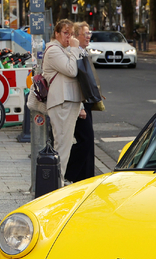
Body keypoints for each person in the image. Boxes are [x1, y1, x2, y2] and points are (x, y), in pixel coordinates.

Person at [43, 19, 83, 185]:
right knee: (62, 146)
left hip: (68, 101)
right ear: (57, 34)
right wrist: (74, 48)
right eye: (66, 33)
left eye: (72, 33)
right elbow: (72, 70)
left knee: (66, 145)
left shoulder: (64, 50)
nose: (69, 37)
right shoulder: (54, 50)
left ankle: (58, 181)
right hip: (61, 103)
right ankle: (56, 183)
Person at [66, 21, 101, 183]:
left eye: (89, 34)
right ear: (76, 36)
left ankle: (86, 177)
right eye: (85, 34)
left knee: (88, 140)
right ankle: (68, 173)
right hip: (79, 103)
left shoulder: (83, 52)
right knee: (85, 140)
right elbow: (75, 80)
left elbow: (88, 78)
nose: (88, 37)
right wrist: (80, 106)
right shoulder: (74, 53)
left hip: (86, 101)